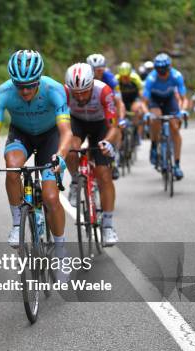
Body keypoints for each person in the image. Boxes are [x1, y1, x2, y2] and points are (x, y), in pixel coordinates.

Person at [0, 49, 73, 256]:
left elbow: (66, 131)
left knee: (50, 197)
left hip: (50, 137)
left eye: (31, 85)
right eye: (20, 86)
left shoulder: (55, 90)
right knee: (12, 166)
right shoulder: (2, 93)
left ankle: (61, 249)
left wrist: (61, 155)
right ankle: (17, 223)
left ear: (39, 79)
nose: (25, 91)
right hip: (21, 134)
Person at [64, 63, 119, 245]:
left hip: (100, 125)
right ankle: (74, 181)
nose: (79, 96)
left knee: (104, 175)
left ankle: (108, 226)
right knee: (71, 149)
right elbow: (61, 125)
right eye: (75, 92)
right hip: (77, 122)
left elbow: (114, 126)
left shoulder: (104, 91)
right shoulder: (64, 92)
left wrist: (107, 142)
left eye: (84, 91)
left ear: (91, 85)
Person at [143, 53, 189, 179]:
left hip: (169, 100)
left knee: (175, 128)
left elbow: (184, 98)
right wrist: (147, 112)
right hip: (155, 100)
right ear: (155, 70)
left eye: (165, 71)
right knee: (156, 118)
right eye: (159, 71)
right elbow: (144, 101)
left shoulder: (176, 76)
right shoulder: (151, 79)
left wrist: (183, 110)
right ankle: (153, 145)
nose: (162, 74)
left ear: (169, 68)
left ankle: (177, 165)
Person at [87, 53, 124, 180]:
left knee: (115, 125)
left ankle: (114, 156)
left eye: (101, 69)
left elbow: (118, 102)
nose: (99, 72)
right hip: (90, 109)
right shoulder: (85, 78)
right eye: (96, 70)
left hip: (107, 107)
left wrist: (121, 118)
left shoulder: (110, 78)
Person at [116, 61, 148, 141]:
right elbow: (115, 95)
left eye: (127, 76)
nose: (125, 79)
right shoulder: (116, 79)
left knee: (137, 110)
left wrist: (142, 104)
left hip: (133, 99)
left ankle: (136, 131)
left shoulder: (135, 78)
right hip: (122, 99)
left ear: (130, 74)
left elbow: (141, 94)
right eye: (123, 77)